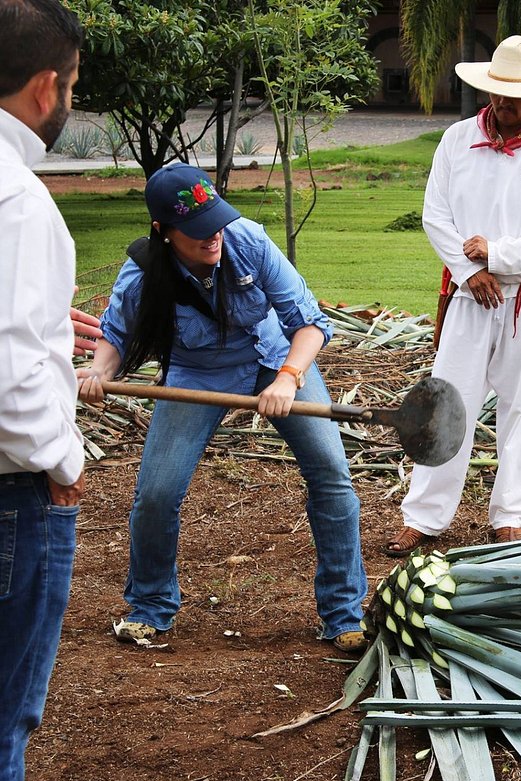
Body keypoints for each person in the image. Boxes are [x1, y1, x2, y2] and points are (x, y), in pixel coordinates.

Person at [76, 163, 367, 653]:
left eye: (215, 221)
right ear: (164, 232)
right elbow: (117, 336)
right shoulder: (144, 272)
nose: (212, 237)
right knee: (157, 493)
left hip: (276, 359)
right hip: (199, 374)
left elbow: (310, 324)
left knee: (331, 472)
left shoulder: (246, 239)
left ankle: (343, 614)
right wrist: (100, 374)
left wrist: (288, 378)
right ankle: (150, 607)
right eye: (196, 231)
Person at [386, 36, 521, 555]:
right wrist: (467, 269)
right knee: (449, 403)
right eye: (496, 92)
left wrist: (497, 255)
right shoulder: (456, 139)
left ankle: (511, 517)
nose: (503, 103)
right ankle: (425, 517)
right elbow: (436, 215)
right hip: (470, 295)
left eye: (515, 95)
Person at [0, 1, 85, 781]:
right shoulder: (18, 202)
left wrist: (50, 320)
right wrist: (59, 458)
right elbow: (7, 374)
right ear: (41, 89)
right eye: (71, 87)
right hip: (11, 495)